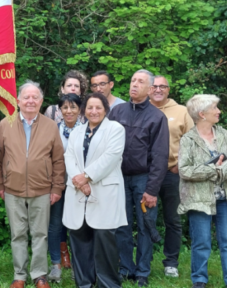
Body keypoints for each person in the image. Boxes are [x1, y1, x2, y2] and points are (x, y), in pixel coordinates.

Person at [0, 80, 65, 288]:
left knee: (40, 234)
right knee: (18, 234)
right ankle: (20, 276)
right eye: (26, 97)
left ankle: (40, 275)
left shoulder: (51, 126)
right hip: (12, 189)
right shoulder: (6, 123)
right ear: (18, 100)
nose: (30, 101)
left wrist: (57, 187)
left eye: (35, 97)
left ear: (41, 101)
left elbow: (58, 160)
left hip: (42, 189)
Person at [108, 69, 169, 287]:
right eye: (133, 80)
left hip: (144, 179)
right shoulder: (117, 112)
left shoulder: (157, 117)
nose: (134, 84)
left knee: (145, 224)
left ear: (151, 89)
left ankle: (142, 270)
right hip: (118, 177)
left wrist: (152, 190)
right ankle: (126, 268)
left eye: (140, 82)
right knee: (121, 225)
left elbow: (160, 157)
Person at [178, 94, 227, 288]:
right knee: (201, 242)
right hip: (198, 199)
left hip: (226, 197)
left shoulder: (223, 134)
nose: (219, 111)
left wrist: (220, 170)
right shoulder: (188, 140)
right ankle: (199, 280)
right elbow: (185, 170)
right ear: (202, 114)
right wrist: (214, 169)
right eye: (214, 108)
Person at [63, 92, 127, 288]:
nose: (94, 111)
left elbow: (111, 157)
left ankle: (107, 283)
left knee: (104, 242)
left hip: (104, 193)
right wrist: (80, 182)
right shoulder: (76, 131)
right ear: (84, 110)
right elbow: (69, 157)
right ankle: (84, 283)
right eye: (90, 107)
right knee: (79, 238)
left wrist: (87, 176)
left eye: (98, 107)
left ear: (106, 109)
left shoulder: (115, 129)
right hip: (78, 192)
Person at [148, 75, 194, 278]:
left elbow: (192, 141)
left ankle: (171, 262)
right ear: (148, 89)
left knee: (173, 219)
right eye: (154, 86)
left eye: (162, 86)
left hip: (171, 173)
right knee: (145, 219)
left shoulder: (182, 111)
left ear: (168, 89)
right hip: (146, 175)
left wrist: (179, 165)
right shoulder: (140, 109)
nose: (158, 90)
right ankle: (144, 261)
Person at [47, 93, 84, 282]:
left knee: (78, 225)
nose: (69, 111)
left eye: (73, 107)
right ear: (60, 111)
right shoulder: (52, 130)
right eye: (65, 108)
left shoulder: (87, 130)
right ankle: (55, 265)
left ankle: (80, 265)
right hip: (57, 184)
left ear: (79, 110)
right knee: (54, 225)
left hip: (79, 186)